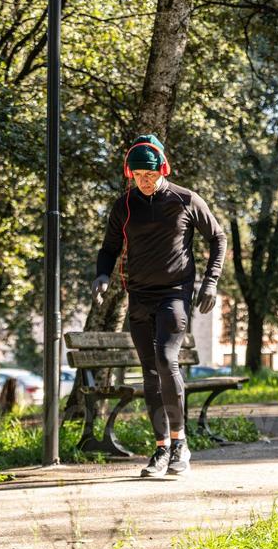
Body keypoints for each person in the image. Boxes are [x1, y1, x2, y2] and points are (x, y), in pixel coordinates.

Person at [92, 135, 227, 478]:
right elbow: (109, 248)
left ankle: (181, 445)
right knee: (150, 373)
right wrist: (102, 276)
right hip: (138, 295)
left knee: (167, 361)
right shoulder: (123, 206)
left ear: (163, 169)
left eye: (150, 174)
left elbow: (218, 238)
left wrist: (210, 282)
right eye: (138, 175)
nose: (145, 180)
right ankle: (161, 448)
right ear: (130, 174)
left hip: (174, 294)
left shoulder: (185, 199)